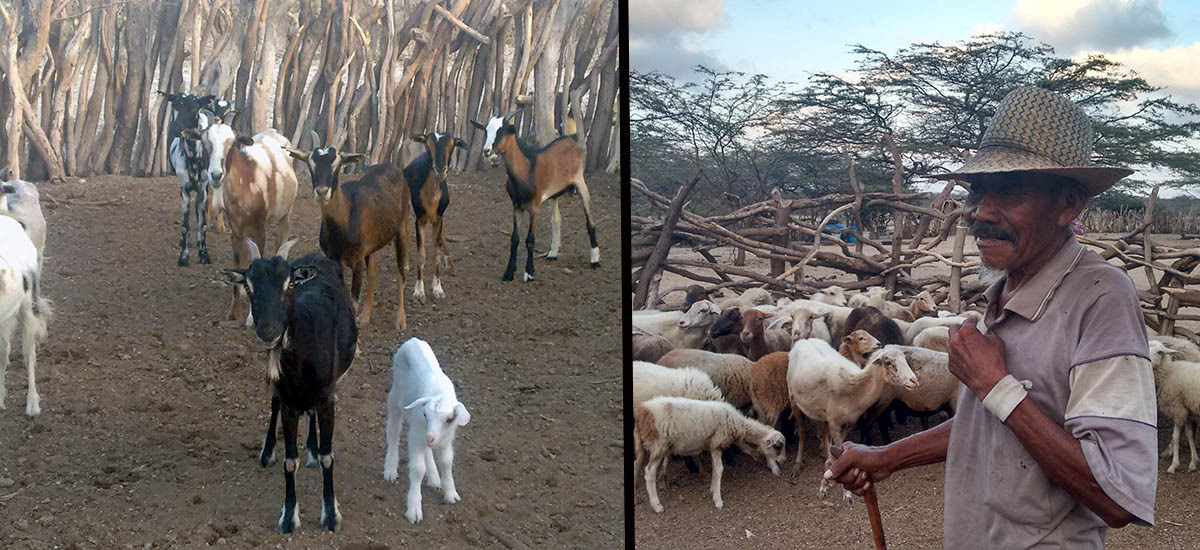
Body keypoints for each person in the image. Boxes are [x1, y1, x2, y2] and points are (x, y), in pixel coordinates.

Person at [824, 87, 1156, 549]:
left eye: (1011, 192)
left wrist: (993, 385)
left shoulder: (1100, 298)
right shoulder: (1006, 289)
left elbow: (1119, 496)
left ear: (1069, 205)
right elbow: (987, 424)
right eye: (977, 191)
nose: (980, 212)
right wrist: (887, 456)